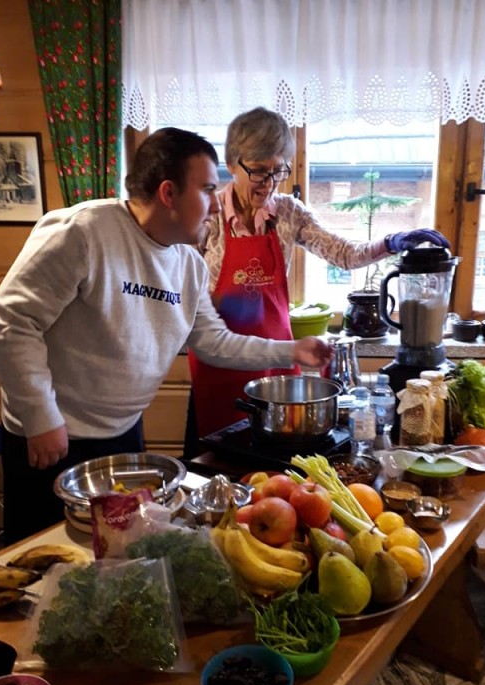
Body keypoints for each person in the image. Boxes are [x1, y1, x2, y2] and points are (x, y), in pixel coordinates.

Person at [0, 127, 331, 545]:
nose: (215, 203)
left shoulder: (188, 265)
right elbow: (12, 321)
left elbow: (214, 342)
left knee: (118, 560)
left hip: (123, 436)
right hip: (52, 437)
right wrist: (40, 416)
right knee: (39, 562)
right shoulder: (83, 232)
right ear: (169, 193)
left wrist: (292, 349)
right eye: (207, 189)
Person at [184, 106, 450, 456]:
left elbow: (342, 253)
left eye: (278, 170)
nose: (270, 183)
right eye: (259, 171)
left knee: (278, 462)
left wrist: (391, 243)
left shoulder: (288, 212)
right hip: (221, 363)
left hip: (278, 362)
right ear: (232, 164)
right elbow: (183, 291)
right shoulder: (209, 216)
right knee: (220, 461)